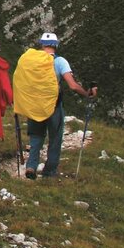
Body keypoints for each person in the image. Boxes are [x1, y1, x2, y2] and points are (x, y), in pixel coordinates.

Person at [24, 32, 97, 179]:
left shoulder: (31, 60)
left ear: (41, 44)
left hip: (35, 104)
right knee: (55, 138)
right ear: (56, 45)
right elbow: (72, 85)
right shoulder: (60, 61)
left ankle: (31, 166)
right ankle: (49, 171)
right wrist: (86, 93)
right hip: (53, 105)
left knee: (36, 136)